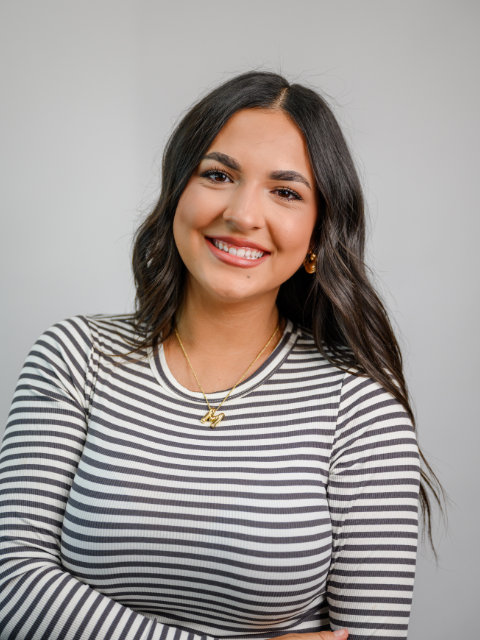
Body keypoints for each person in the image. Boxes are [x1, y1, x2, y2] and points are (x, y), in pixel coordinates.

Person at [0, 71, 441, 640]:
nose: (242, 213)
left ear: (318, 234)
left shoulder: (359, 412)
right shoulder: (75, 356)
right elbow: (10, 583)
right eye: (218, 174)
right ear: (177, 192)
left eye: (285, 192)